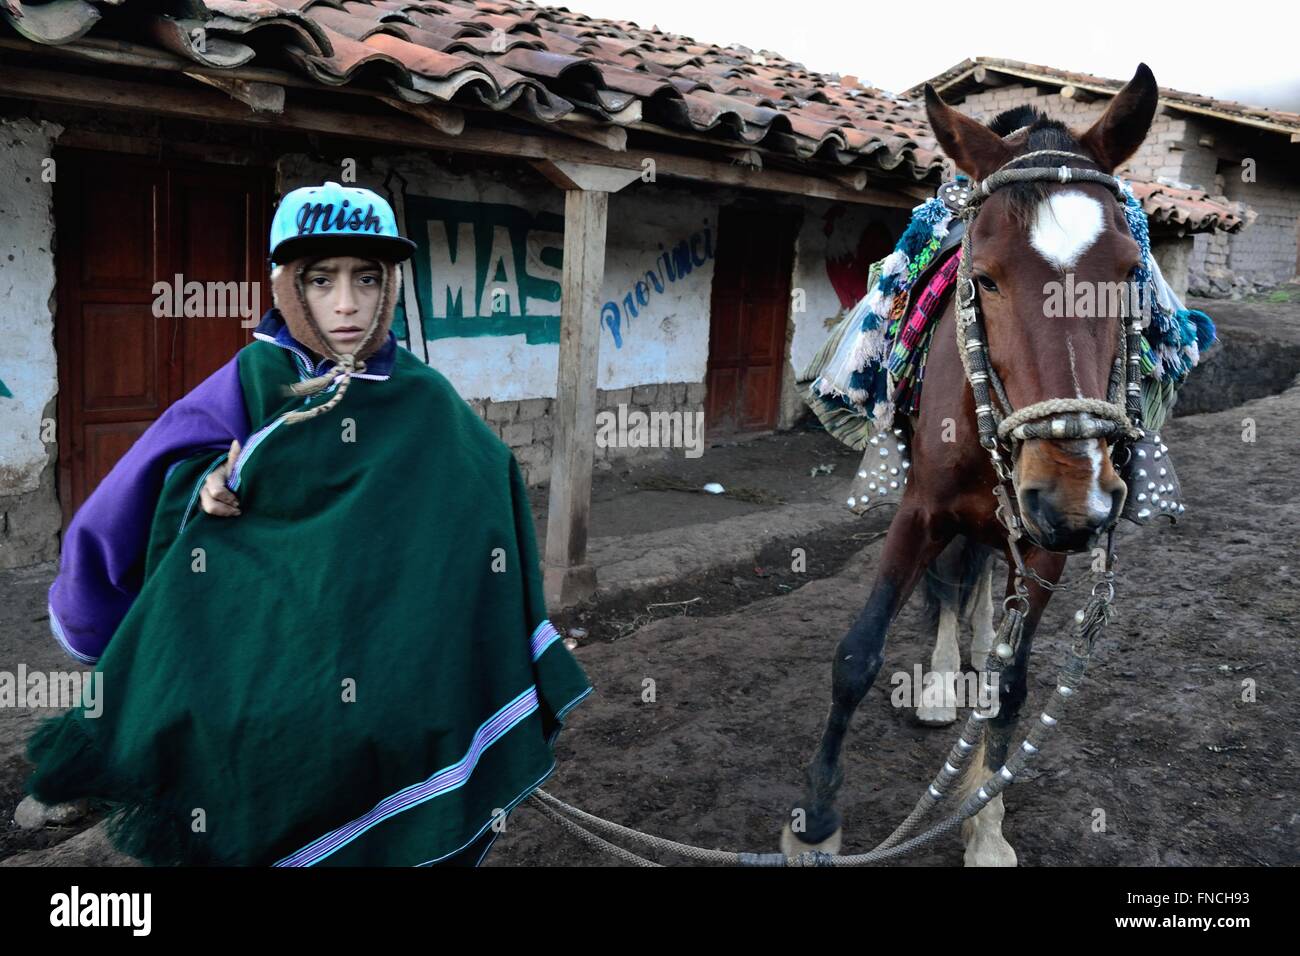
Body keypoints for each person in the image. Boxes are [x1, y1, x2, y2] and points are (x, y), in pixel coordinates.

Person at [25, 181, 591, 866]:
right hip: (273, 673)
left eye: (367, 278)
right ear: (287, 286)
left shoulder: (425, 399)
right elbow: (141, 490)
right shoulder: (251, 381)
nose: (347, 304)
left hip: (394, 681)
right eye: (321, 280)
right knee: (264, 806)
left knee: (398, 799)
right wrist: (202, 487)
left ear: (389, 288)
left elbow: (480, 497)